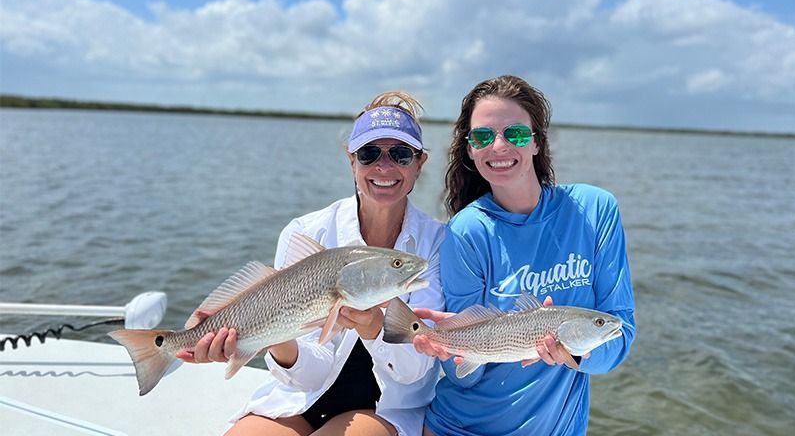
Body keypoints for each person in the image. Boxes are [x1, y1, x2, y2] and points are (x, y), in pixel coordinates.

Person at [177, 92, 444, 436]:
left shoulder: (435, 246)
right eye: (369, 153)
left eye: (401, 154)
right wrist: (270, 336)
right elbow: (307, 375)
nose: (384, 166)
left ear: (419, 163)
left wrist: (375, 327)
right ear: (352, 161)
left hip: (386, 405)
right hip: (299, 398)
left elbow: (414, 372)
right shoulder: (306, 231)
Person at [412, 75, 636, 436]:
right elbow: (465, 378)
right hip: (461, 427)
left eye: (514, 134)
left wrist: (575, 355)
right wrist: (447, 343)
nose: (498, 146)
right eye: (483, 137)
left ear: (536, 142)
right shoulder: (466, 230)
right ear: (470, 150)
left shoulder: (595, 209)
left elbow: (619, 332)